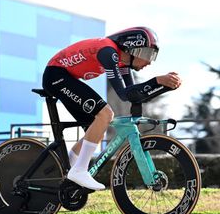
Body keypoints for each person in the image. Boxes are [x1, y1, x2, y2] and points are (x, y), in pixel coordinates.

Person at [42, 26, 182, 191]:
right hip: (56, 75)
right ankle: (79, 170)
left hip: (64, 77)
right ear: (133, 48)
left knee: (96, 131)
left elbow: (133, 94)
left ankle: (66, 169)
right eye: (147, 54)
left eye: (153, 56)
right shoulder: (108, 52)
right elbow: (123, 94)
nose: (149, 61)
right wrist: (157, 81)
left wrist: (164, 86)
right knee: (105, 114)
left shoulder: (122, 61)